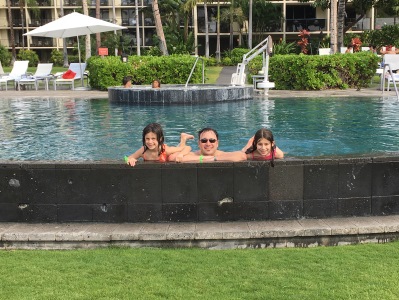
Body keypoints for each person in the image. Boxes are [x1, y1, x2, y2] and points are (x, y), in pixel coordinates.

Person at [126, 122, 193, 167]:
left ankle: (183, 138)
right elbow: (127, 158)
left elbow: (187, 148)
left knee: (180, 149)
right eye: (147, 138)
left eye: (153, 138)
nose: (150, 142)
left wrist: (181, 154)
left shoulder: (165, 150)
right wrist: (130, 160)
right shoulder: (143, 150)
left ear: (160, 139)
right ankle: (183, 137)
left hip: (167, 153)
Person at [177, 127, 247, 163]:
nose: (208, 144)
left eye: (212, 140)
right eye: (204, 141)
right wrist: (204, 159)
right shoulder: (195, 154)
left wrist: (214, 158)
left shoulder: (221, 154)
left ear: (217, 143)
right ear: (199, 144)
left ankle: (183, 139)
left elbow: (242, 156)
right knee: (181, 150)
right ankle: (183, 140)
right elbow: (174, 157)